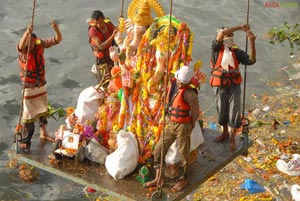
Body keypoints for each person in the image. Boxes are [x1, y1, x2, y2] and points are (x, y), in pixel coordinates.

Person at [143, 65, 199, 192]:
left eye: (181, 82)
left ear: (186, 82)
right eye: (178, 80)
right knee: (159, 148)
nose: (178, 83)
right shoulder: (175, 86)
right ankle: (158, 177)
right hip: (171, 123)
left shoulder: (190, 94)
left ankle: (183, 178)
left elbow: (195, 112)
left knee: (184, 153)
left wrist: (191, 125)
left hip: (183, 126)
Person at [16, 21, 62, 151]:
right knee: (28, 115)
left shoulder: (39, 45)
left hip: (40, 84)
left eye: (32, 41)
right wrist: (27, 32)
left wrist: (57, 30)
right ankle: (25, 139)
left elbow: (57, 40)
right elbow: (20, 44)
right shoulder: (22, 51)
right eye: (28, 41)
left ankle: (43, 133)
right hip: (29, 87)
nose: (29, 44)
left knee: (42, 109)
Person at [210, 24, 256, 150]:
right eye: (227, 35)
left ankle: (232, 138)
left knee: (234, 113)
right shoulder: (216, 48)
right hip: (220, 85)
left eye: (231, 36)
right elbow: (221, 35)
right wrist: (240, 27)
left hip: (234, 86)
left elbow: (251, 61)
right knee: (221, 111)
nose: (229, 38)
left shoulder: (237, 52)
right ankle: (224, 133)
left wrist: (252, 42)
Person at [88, 10, 118, 82]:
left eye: (101, 22)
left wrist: (119, 26)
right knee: (104, 81)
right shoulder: (93, 31)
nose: (99, 25)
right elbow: (101, 46)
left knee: (116, 75)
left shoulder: (108, 23)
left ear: (104, 18)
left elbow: (116, 30)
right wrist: (112, 35)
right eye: (96, 24)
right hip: (102, 60)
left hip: (112, 54)